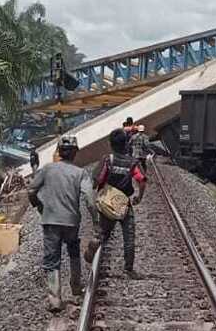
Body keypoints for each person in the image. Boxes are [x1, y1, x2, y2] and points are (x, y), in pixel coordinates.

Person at [29, 135, 96, 310]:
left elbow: (31, 189)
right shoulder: (81, 173)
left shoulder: (47, 169)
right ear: (75, 153)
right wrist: (96, 220)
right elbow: (89, 198)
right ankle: (76, 287)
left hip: (50, 220)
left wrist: (38, 205)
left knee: (52, 259)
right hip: (71, 221)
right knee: (73, 251)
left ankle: (55, 298)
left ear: (59, 152)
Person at [91, 128, 147, 278]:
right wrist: (139, 197)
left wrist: (97, 189)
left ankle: (94, 249)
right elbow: (142, 180)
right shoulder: (132, 162)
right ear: (126, 144)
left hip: (106, 202)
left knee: (103, 233)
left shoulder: (107, 160)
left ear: (110, 144)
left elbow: (97, 180)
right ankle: (128, 269)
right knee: (129, 236)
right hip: (123, 204)